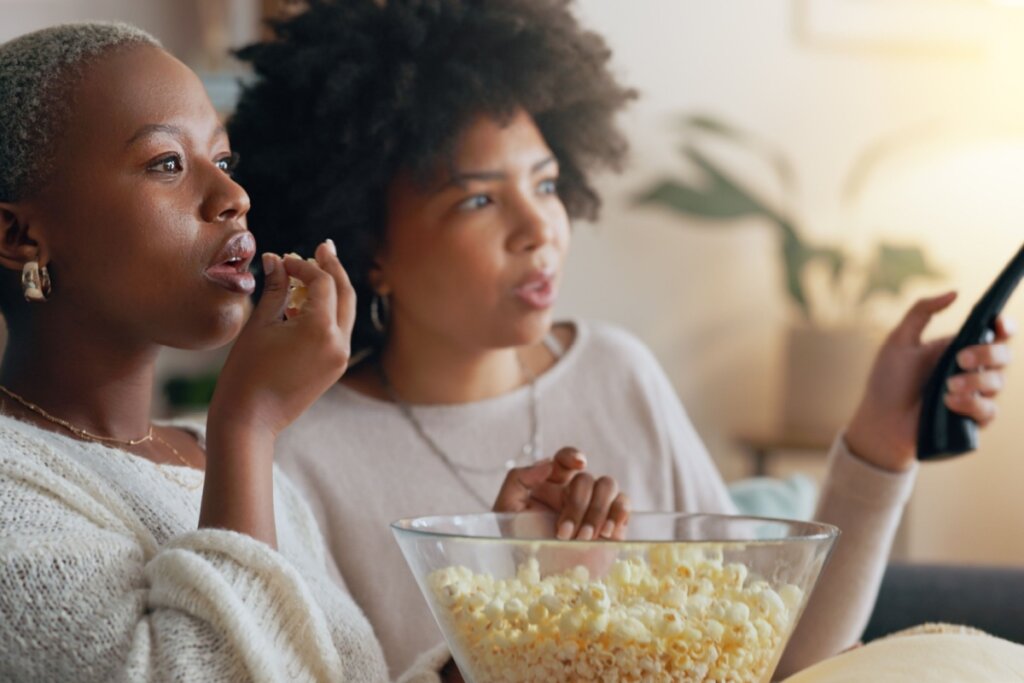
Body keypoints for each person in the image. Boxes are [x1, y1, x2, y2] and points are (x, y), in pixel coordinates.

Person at [228, 0, 1016, 679]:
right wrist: (515, 591)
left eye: (544, 183)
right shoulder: (301, 455)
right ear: (372, 250)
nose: (539, 228)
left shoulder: (617, 371)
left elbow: (779, 658)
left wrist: (881, 441)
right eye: (477, 202)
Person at [0, 22, 628, 682]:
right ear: (19, 234)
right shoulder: (20, 487)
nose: (233, 197)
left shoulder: (229, 466)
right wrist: (248, 424)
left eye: (223, 161)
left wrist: (517, 593)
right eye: (166, 164)